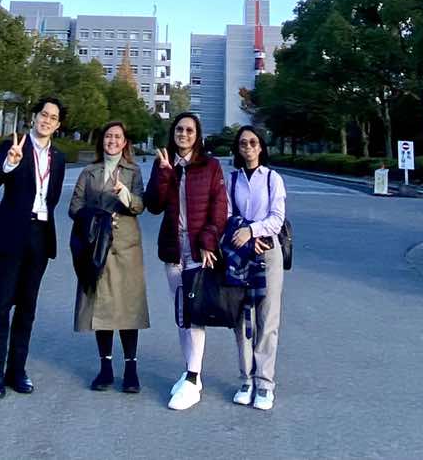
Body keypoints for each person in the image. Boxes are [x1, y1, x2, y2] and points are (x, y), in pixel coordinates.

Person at [0, 97, 66, 399]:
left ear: (58, 125)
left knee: (27, 308)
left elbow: (52, 198)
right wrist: (9, 164)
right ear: (35, 117)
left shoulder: (59, 158)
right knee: (1, 304)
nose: (47, 120)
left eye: (53, 117)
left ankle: (18, 370)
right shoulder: (14, 145)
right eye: (43, 114)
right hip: (10, 234)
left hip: (40, 236)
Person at [144, 111, 227, 411]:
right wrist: (165, 173)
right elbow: (153, 205)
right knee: (182, 313)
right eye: (179, 129)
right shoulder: (164, 163)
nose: (184, 134)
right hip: (172, 249)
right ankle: (190, 372)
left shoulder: (210, 166)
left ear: (198, 134)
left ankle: (193, 378)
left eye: (190, 130)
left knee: (195, 313)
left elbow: (220, 209)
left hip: (198, 250)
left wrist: (208, 241)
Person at [68, 120, 151, 393]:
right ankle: (105, 367)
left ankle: (131, 369)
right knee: (101, 307)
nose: (112, 141)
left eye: (117, 137)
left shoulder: (133, 171)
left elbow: (140, 205)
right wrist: (95, 217)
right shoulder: (89, 172)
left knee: (127, 308)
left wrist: (124, 193)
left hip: (126, 247)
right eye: (108, 136)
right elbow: (75, 206)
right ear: (101, 140)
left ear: (125, 142)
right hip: (96, 248)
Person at [225, 125, 287, 411]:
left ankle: (264, 382)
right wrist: (243, 234)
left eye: (252, 142)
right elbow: (226, 214)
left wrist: (253, 232)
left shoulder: (273, 179)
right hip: (240, 252)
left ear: (261, 146)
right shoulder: (233, 178)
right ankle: (246, 378)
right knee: (242, 318)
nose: (248, 147)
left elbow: (277, 218)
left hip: (267, 251)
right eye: (242, 143)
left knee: (267, 317)